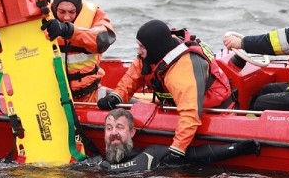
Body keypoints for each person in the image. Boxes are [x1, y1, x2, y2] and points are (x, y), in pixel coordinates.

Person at [98, 19, 234, 161]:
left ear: (154, 47)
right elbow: (132, 77)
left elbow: (191, 114)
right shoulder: (153, 55)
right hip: (176, 105)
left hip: (215, 112)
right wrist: (116, 96)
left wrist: (177, 150)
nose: (138, 50)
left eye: (141, 46)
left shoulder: (182, 71)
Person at [0, 0, 116, 102]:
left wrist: (68, 30)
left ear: (79, 9)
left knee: (130, 105)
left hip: (90, 94)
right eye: (61, 12)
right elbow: (19, 53)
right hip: (49, 98)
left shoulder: (95, 16)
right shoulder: (39, 20)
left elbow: (103, 39)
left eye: (72, 12)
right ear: (54, 8)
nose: (67, 17)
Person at [82, 109, 260, 172]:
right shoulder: (95, 163)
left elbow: (195, 155)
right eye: (109, 128)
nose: (113, 133)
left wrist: (238, 148)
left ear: (132, 132)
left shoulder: (151, 155)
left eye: (119, 128)